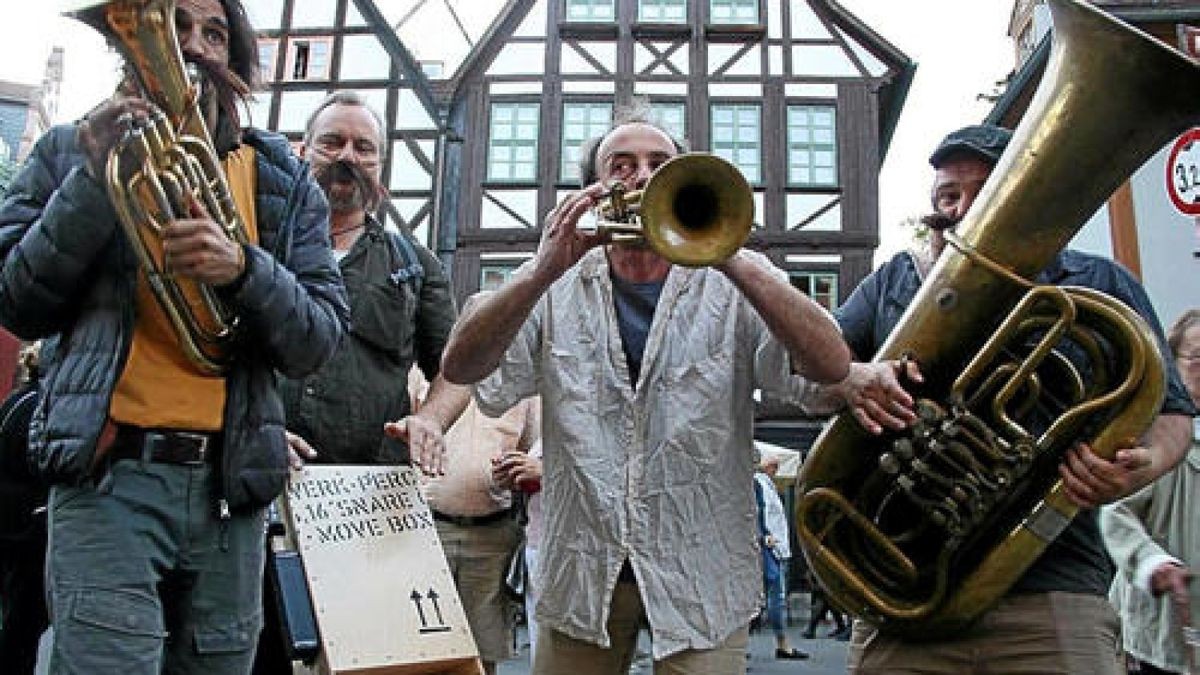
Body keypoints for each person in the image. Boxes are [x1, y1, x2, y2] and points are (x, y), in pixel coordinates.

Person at [439, 101, 851, 674]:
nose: (640, 176)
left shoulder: (735, 276)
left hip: (702, 573)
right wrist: (540, 270)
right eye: (621, 163)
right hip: (581, 571)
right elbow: (463, 367)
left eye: (660, 163)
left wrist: (733, 258)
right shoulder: (554, 283)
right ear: (593, 190)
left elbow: (832, 366)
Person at [0, 0, 349, 671]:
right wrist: (93, 182)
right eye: (172, 25)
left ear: (237, 62)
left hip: (229, 495)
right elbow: (17, 300)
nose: (190, 47)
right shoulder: (70, 147)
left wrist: (244, 267)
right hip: (108, 481)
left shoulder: (282, 176)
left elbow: (319, 338)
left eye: (213, 34)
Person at [813, 124, 1196, 674]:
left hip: (1053, 588)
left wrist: (1142, 465)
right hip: (899, 590)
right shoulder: (895, 282)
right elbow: (814, 387)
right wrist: (857, 381)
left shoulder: (1097, 281)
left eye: (985, 190)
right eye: (949, 195)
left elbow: (1172, 414)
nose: (963, 208)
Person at [285, 89, 466, 474]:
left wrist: (430, 420)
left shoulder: (416, 264)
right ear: (303, 152)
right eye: (332, 142)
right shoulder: (262, 247)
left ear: (379, 167)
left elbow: (456, 372)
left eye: (364, 148)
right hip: (266, 475)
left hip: (370, 488)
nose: (348, 156)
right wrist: (251, 428)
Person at [1100, 309, 1200, 675]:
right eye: (1198, 359)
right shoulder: (1154, 435)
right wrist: (1153, 563)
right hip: (1158, 640)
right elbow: (1114, 511)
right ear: (1173, 365)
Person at [424, 396, 539, 675]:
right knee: (426, 642)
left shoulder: (524, 391)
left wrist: (515, 470)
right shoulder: (426, 375)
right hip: (430, 530)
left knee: (484, 646)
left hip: (493, 535)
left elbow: (536, 453)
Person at [0, 342, 48, 674]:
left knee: (19, 623)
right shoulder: (39, 405)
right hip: (29, 527)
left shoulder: (18, 401)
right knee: (23, 623)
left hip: (12, 522)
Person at [753, 455, 809, 659]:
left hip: (774, 547)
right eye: (774, 466)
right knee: (774, 597)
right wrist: (767, 537)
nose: (776, 470)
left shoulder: (765, 485)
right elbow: (763, 515)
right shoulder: (760, 484)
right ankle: (782, 644)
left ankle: (779, 643)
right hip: (771, 548)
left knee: (767, 597)